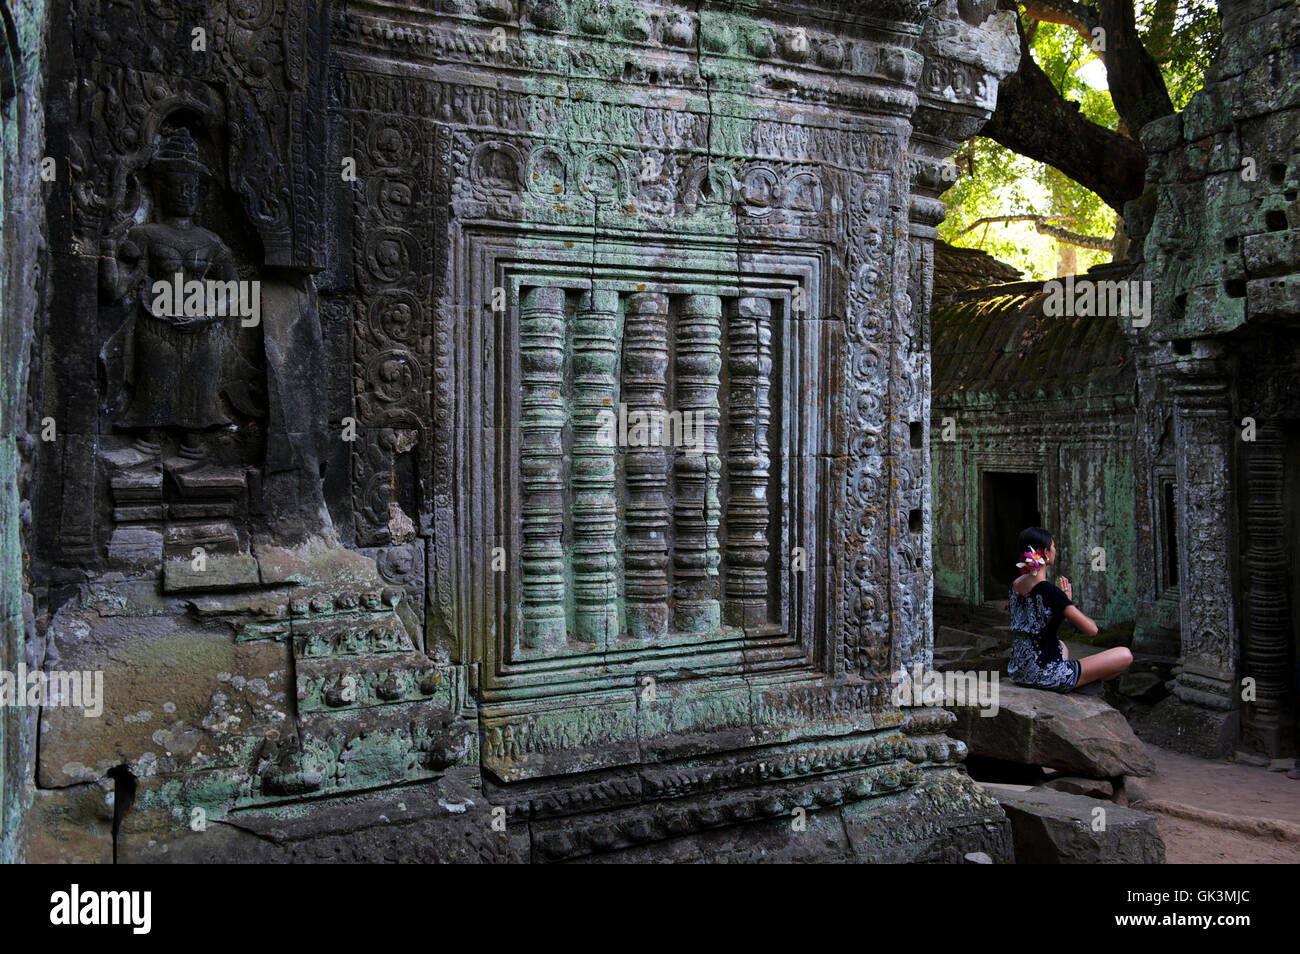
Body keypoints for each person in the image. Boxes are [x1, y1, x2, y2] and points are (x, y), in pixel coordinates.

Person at [1007, 526, 1133, 693]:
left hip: (1019, 670)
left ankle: (1081, 678)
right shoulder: (1051, 592)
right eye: (1053, 546)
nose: (1055, 550)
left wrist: (1062, 602)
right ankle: (1076, 681)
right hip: (1045, 674)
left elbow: (1040, 623)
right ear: (1045, 553)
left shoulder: (1015, 585)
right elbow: (1091, 630)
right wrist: (1065, 601)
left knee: (1062, 645)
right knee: (1125, 655)